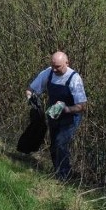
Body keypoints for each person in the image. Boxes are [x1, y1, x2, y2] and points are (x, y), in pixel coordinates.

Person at [26, 51, 87, 180]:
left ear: (67, 63)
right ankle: (57, 173)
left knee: (61, 143)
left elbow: (82, 105)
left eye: (58, 67)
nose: (54, 69)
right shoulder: (49, 72)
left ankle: (64, 176)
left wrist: (67, 109)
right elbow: (31, 89)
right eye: (53, 65)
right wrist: (31, 100)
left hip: (70, 117)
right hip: (53, 114)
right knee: (54, 146)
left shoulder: (74, 78)